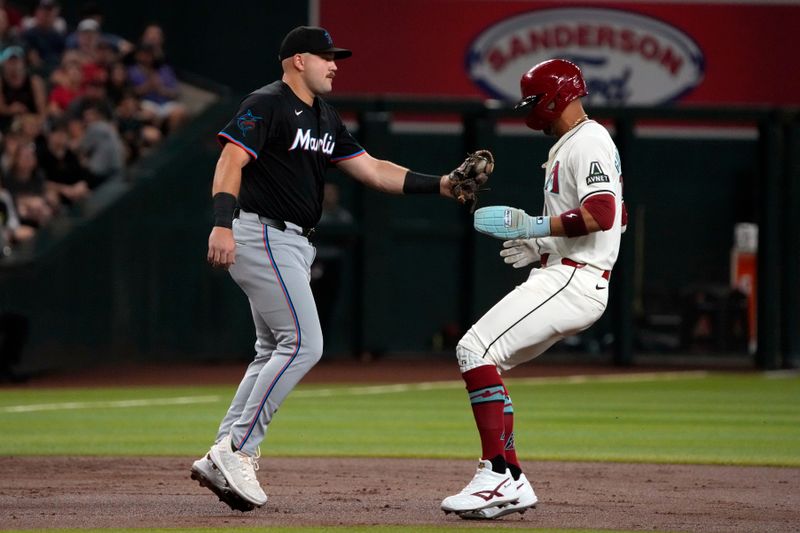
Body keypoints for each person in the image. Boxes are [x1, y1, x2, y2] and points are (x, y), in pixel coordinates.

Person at [191, 25, 486, 512]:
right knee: (304, 343)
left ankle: (222, 451)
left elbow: (372, 169)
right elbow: (230, 159)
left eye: (336, 57)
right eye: (326, 56)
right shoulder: (266, 103)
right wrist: (221, 224)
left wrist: (442, 184)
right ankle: (237, 450)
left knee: (272, 349)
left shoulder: (325, 117)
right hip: (261, 231)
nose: (335, 64)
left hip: (292, 242)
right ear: (296, 61)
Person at [440, 59, 626, 520]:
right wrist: (539, 242)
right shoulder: (574, 142)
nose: (530, 112)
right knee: (488, 359)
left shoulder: (589, 140)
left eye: (534, 103)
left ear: (554, 98)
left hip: (574, 276)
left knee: (473, 348)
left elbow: (603, 213)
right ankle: (514, 479)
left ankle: (495, 475)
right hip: (567, 269)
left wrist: (536, 225)